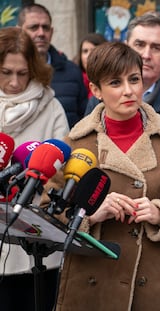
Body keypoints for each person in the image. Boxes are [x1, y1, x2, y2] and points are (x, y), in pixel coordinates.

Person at [48, 41, 160, 311]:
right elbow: (48, 210)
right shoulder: (76, 142)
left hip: (154, 283)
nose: (129, 91)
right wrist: (90, 215)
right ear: (96, 90)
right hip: (90, 286)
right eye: (115, 83)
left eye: (134, 79)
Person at [85, 13, 160, 309]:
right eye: (139, 45)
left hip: (159, 254)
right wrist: (94, 211)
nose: (146, 55)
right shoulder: (90, 116)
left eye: (156, 47)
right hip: (101, 259)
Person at [0, 26, 69, 311]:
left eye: (22, 73)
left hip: (37, 248)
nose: (15, 82)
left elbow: (63, 174)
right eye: (6, 72)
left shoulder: (51, 108)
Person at [18, 3, 88, 128]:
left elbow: (85, 120)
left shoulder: (72, 72)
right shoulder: (8, 73)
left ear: (51, 31)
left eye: (45, 27)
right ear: (19, 31)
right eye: (34, 27)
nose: (41, 33)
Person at [72, 32, 106, 99]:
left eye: (93, 50)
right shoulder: (73, 80)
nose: (89, 55)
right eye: (85, 51)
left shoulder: (110, 79)